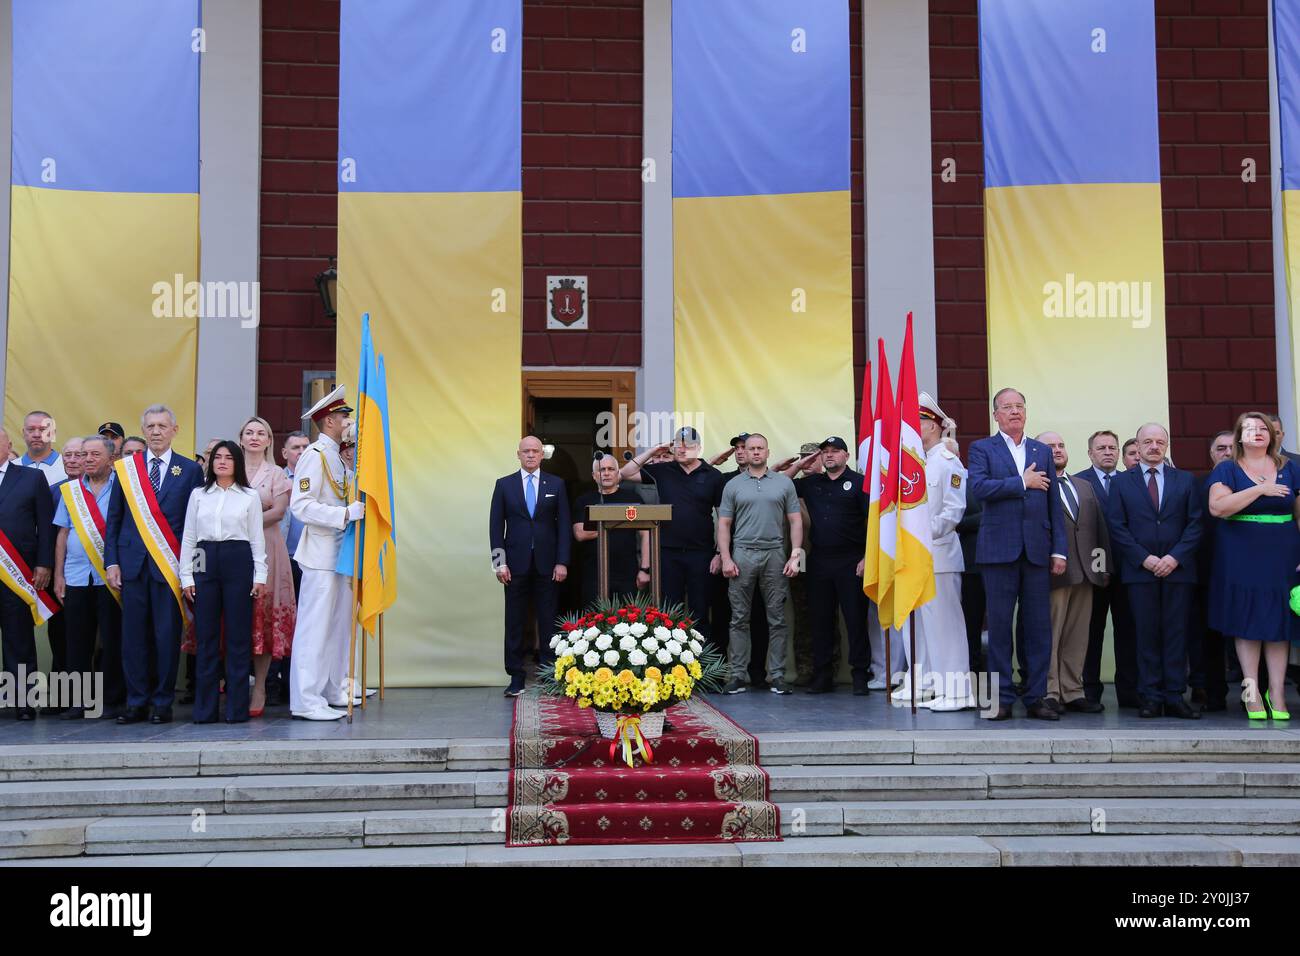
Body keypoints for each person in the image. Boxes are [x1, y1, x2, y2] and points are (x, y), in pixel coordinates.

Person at [967, 388, 1067, 721]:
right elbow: (979, 489)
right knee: (998, 628)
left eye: (1019, 406)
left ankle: (1037, 696)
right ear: (995, 414)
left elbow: (1054, 504)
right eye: (1007, 407)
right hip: (998, 551)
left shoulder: (1041, 449)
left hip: (1037, 551)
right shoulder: (982, 448)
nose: (1014, 412)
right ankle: (1001, 698)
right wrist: (1021, 482)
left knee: (1038, 628)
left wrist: (1059, 550)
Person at [104, 405, 204, 725]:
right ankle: (137, 702)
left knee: (165, 637)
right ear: (143, 430)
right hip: (132, 566)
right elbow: (115, 518)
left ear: (175, 430)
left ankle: (162, 702)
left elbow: (195, 524)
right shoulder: (126, 469)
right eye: (150, 426)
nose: (156, 431)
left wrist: (192, 569)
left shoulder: (189, 470)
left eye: (162, 425)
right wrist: (112, 562)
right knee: (133, 638)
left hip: (169, 565)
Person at [1107, 422, 1203, 719]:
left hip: (1178, 569)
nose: (1153, 446)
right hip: (1140, 571)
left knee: (1176, 633)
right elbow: (1116, 526)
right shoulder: (1122, 482)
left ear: (1167, 445)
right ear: (1137, 444)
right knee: (1145, 633)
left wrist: (1174, 557)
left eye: (1159, 441)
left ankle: (1174, 696)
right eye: (1147, 441)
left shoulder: (1185, 480)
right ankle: (1150, 696)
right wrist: (1144, 558)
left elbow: (1195, 523)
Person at [1207, 413, 1300, 721]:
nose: (1258, 433)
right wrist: (1260, 489)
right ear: (1239, 436)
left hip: (1283, 552)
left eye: (1263, 429)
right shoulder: (1228, 468)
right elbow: (1218, 507)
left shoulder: (1290, 467)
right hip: (1240, 552)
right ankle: (1251, 691)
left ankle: (1277, 691)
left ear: (1273, 436)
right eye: (1250, 429)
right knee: (1247, 621)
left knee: (1278, 623)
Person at [288, 387, 365, 720]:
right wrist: (343, 515)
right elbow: (300, 506)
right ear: (331, 420)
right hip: (320, 553)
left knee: (337, 626)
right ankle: (306, 698)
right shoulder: (315, 455)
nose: (348, 422)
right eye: (345, 417)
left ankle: (333, 687)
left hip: (340, 552)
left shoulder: (334, 455)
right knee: (315, 626)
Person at [179, 442, 269, 724]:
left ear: (237, 463)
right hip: (205, 557)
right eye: (217, 457)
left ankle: (236, 709)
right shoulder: (198, 495)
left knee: (237, 637)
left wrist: (260, 575)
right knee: (205, 636)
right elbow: (190, 537)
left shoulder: (249, 496)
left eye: (228, 457)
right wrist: (186, 576)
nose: (222, 462)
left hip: (238, 558)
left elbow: (257, 538)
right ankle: (204, 710)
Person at [620, 427, 725, 650]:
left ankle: (703, 668)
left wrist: (719, 553)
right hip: (667, 552)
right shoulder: (664, 470)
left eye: (687, 445)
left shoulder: (713, 475)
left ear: (698, 448)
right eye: (677, 444)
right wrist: (651, 451)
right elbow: (625, 473)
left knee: (700, 611)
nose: (681, 449)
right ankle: (671, 668)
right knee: (669, 613)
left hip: (702, 553)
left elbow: (722, 518)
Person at [717, 434, 803, 695]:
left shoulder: (784, 483)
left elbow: (796, 521)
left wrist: (796, 554)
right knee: (738, 619)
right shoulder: (733, 485)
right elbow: (724, 524)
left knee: (777, 619)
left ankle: (776, 675)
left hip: (775, 553)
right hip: (742, 553)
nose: (755, 452)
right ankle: (738, 675)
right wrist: (726, 557)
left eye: (759, 449)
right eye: (751, 448)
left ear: (767, 452)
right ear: (745, 452)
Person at [489, 435, 571, 697]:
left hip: (548, 564)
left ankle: (549, 673)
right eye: (526, 451)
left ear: (541, 455)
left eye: (536, 451)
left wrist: (562, 561)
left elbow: (564, 527)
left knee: (548, 620)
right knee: (514, 620)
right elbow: (495, 528)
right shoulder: (504, 485)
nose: (531, 455)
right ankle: (515, 676)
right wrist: (499, 564)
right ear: (518, 454)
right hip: (514, 565)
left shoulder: (556, 485)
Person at [908, 396, 973, 710]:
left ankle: (958, 690)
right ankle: (934, 682)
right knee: (926, 625)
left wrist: (920, 532)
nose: (911, 428)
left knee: (947, 625)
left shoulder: (948, 461)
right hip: (919, 556)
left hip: (940, 555)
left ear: (932, 425)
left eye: (917, 422)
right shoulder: (922, 461)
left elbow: (953, 510)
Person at [1038, 432, 1109, 714]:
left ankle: (1072, 690)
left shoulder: (1084, 485)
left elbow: (1098, 531)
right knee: (1051, 635)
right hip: (1053, 574)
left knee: (1078, 636)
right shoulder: (1037, 485)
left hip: (1086, 574)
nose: (1057, 450)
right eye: (1049, 446)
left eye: (1060, 445)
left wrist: (1102, 569)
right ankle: (1050, 691)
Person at [53, 436, 123, 719]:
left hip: (110, 577)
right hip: (76, 576)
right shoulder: (70, 491)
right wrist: (58, 574)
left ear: (111, 459)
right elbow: (62, 533)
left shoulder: (123, 488)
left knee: (111, 640)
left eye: (95, 454)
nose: (88, 459)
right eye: (84, 454)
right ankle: (78, 701)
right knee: (77, 641)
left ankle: (110, 699)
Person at [793, 437, 870, 695]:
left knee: (855, 619)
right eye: (824, 453)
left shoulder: (860, 484)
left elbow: (873, 523)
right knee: (820, 621)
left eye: (835, 452)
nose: (829, 456)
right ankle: (822, 675)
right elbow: (778, 485)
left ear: (846, 456)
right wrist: (800, 464)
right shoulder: (812, 483)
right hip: (820, 560)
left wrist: (867, 557)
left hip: (851, 560)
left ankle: (860, 675)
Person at [1074, 429, 1138, 708]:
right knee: (1091, 632)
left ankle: (1129, 691)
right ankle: (1089, 690)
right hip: (1093, 569)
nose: (1108, 452)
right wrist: (1097, 567)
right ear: (1090, 453)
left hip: (1129, 568)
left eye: (1112, 447)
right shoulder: (1078, 482)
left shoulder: (1131, 481)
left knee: (1128, 632)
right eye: (1101, 448)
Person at [238, 416, 296, 717]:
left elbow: (279, 510)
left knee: (263, 616)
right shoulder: (229, 470)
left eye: (261, 432)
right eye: (249, 432)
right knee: (237, 618)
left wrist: (241, 522)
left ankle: (259, 685)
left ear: (269, 439)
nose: (255, 437)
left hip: (268, 547)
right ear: (241, 438)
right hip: (234, 550)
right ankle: (235, 683)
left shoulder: (276, 474)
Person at [0, 430, 54, 720]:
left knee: (18, 638)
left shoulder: (31, 478)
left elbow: (45, 525)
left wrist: (44, 564)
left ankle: (23, 701)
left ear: (9, 446)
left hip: (15, 574)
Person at [1188, 430, 1234, 713]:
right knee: (1207, 637)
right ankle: (1210, 691)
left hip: (1245, 575)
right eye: (1220, 448)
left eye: (1231, 447)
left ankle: (1258, 691)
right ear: (1211, 454)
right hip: (1205, 576)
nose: (1226, 453)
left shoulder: (1253, 485)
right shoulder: (1197, 486)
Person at [572, 454, 649, 606]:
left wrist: (645, 569)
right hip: (594, 574)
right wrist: (621, 524)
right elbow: (580, 534)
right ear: (594, 476)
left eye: (611, 469)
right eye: (602, 470)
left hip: (627, 573)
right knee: (594, 626)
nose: (606, 473)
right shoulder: (584, 500)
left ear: (617, 473)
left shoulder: (633, 498)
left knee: (628, 625)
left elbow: (646, 534)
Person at [19, 411, 66, 484]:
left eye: (43, 429)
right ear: (23, 433)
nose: (37, 435)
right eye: (31, 429)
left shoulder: (67, 467)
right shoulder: (10, 468)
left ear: (52, 433)